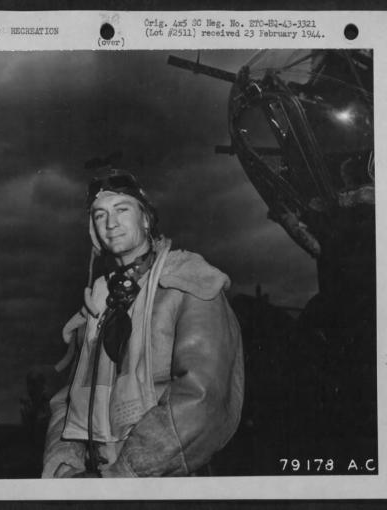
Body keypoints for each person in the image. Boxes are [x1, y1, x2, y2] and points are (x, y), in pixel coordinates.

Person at [42, 170, 244, 478]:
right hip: (94, 484)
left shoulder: (189, 282)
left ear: (146, 219)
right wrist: (64, 472)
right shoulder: (97, 304)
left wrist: (123, 474)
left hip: (163, 482)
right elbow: (67, 403)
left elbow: (202, 398)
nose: (110, 224)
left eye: (122, 210)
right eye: (100, 216)